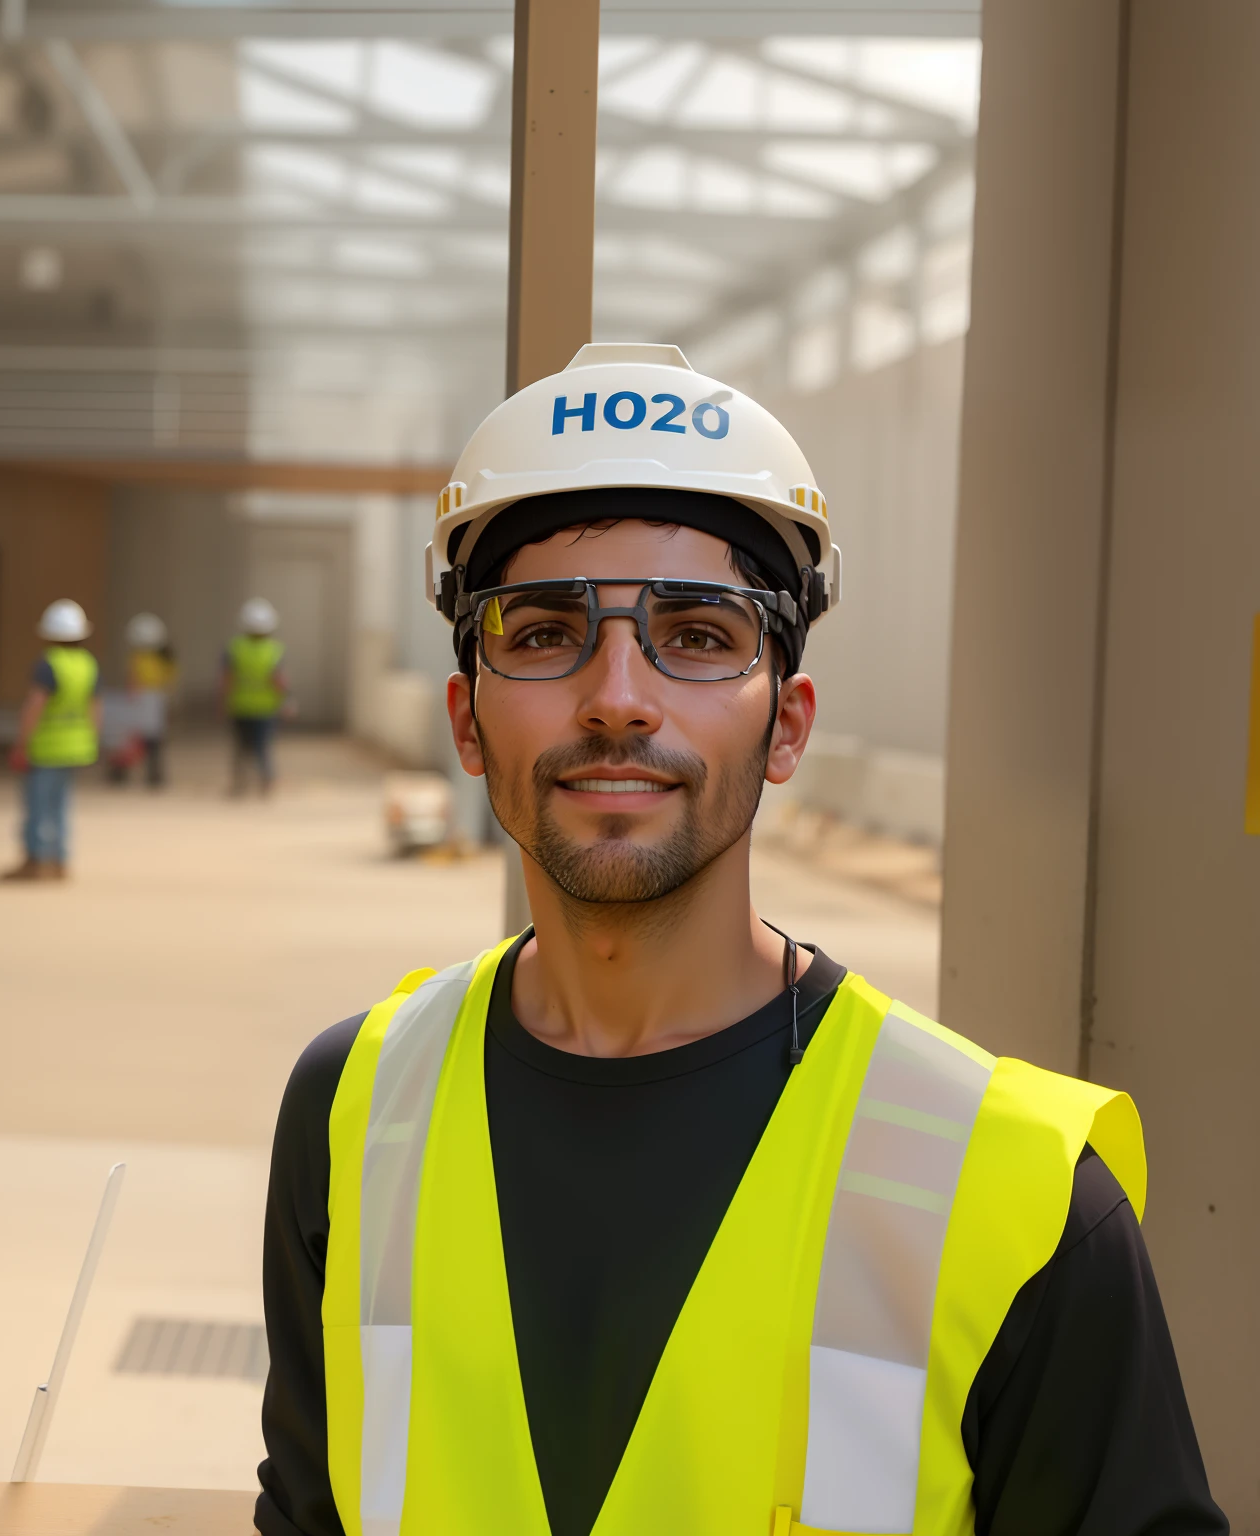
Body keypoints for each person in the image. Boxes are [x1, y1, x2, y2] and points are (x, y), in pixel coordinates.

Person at [255, 344, 1223, 1536]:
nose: (617, 696)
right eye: (546, 631)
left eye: (700, 635)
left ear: (785, 728)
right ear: (466, 717)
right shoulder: (351, 1113)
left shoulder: (1014, 1194)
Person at [4, 599, 101, 881]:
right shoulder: (88, 664)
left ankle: (35, 860)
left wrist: (22, 742)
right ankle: (59, 861)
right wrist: (92, 741)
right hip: (75, 746)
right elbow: (95, 707)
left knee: (38, 804)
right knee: (61, 806)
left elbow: (35, 705)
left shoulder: (48, 665)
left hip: (46, 747)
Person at [224, 597, 291, 796]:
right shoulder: (274, 649)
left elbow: (226, 679)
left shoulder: (235, 647)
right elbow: (279, 680)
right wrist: (287, 700)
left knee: (241, 747)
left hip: (240, 706)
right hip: (265, 708)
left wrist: (221, 704)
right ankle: (266, 782)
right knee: (263, 748)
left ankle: (240, 783)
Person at [117, 611, 175, 788]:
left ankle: (123, 773)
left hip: (144, 702)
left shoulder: (139, 658)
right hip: (157, 702)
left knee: (134, 741)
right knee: (153, 742)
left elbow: (132, 681)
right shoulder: (166, 658)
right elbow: (169, 681)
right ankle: (154, 775)